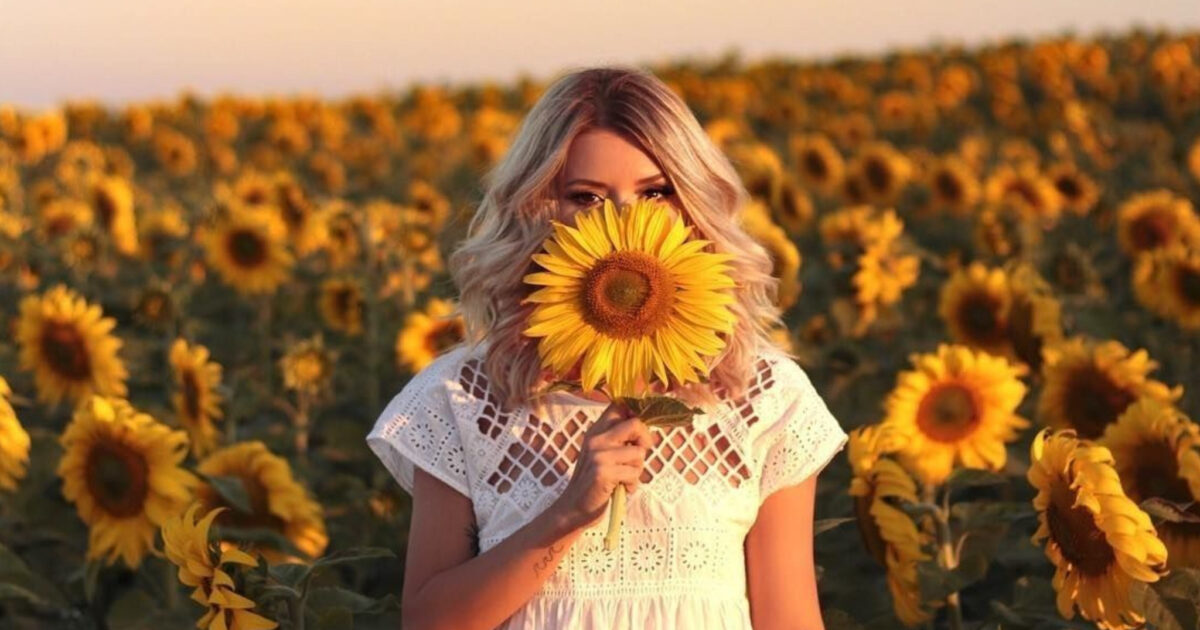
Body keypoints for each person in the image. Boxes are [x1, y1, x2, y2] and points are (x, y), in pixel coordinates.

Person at [365, 65, 849, 630]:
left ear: (692, 203)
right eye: (587, 198)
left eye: (656, 192)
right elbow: (427, 624)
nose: (625, 223)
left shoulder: (759, 394)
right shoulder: (465, 397)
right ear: (539, 209)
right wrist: (569, 513)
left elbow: (789, 620)